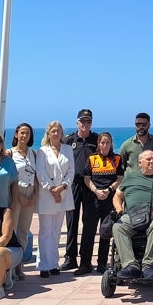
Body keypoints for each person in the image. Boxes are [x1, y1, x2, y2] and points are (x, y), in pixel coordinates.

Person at [113, 150, 153, 280]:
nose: (152, 162)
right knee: (117, 227)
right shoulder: (130, 177)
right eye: (148, 159)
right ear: (140, 163)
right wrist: (119, 210)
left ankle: (149, 265)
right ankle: (131, 265)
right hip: (132, 215)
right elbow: (117, 196)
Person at [34, 121, 74, 277]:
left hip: (63, 194)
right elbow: (40, 172)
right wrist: (52, 189)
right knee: (45, 231)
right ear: (48, 133)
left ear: (62, 133)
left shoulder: (68, 150)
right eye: (53, 131)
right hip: (47, 195)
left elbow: (71, 170)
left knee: (56, 231)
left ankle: (53, 263)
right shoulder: (42, 151)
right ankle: (44, 265)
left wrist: (62, 187)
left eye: (58, 131)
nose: (56, 133)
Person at [81, 132, 123, 274]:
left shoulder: (117, 159)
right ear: (98, 144)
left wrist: (109, 189)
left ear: (111, 144)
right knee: (88, 232)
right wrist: (95, 190)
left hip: (109, 200)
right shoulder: (92, 158)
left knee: (105, 232)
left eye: (108, 143)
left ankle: (102, 264)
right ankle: (85, 264)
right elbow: (86, 177)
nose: (105, 145)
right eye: (102, 142)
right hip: (93, 199)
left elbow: (120, 177)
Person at [63, 109, 98, 271]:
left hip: (90, 185)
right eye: (82, 121)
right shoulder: (69, 140)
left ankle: (85, 260)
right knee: (71, 222)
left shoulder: (97, 140)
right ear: (77, 123)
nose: (85, 124)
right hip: (73, 185)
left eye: (88, 121)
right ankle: (70, 258)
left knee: (89, 223)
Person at [9, 122, 38, 272]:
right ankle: (11, 265)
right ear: (16, 134)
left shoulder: (33, 153)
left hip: (30, 192)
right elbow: (10, 178)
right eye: (22, 133)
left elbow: (36, 177)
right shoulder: (10, 153)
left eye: (27, 133)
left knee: (24, 230)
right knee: (12, 229)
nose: (24, 136)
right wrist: (18, 196)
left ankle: (19, 264)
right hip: (16, 193)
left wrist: (34, 196)